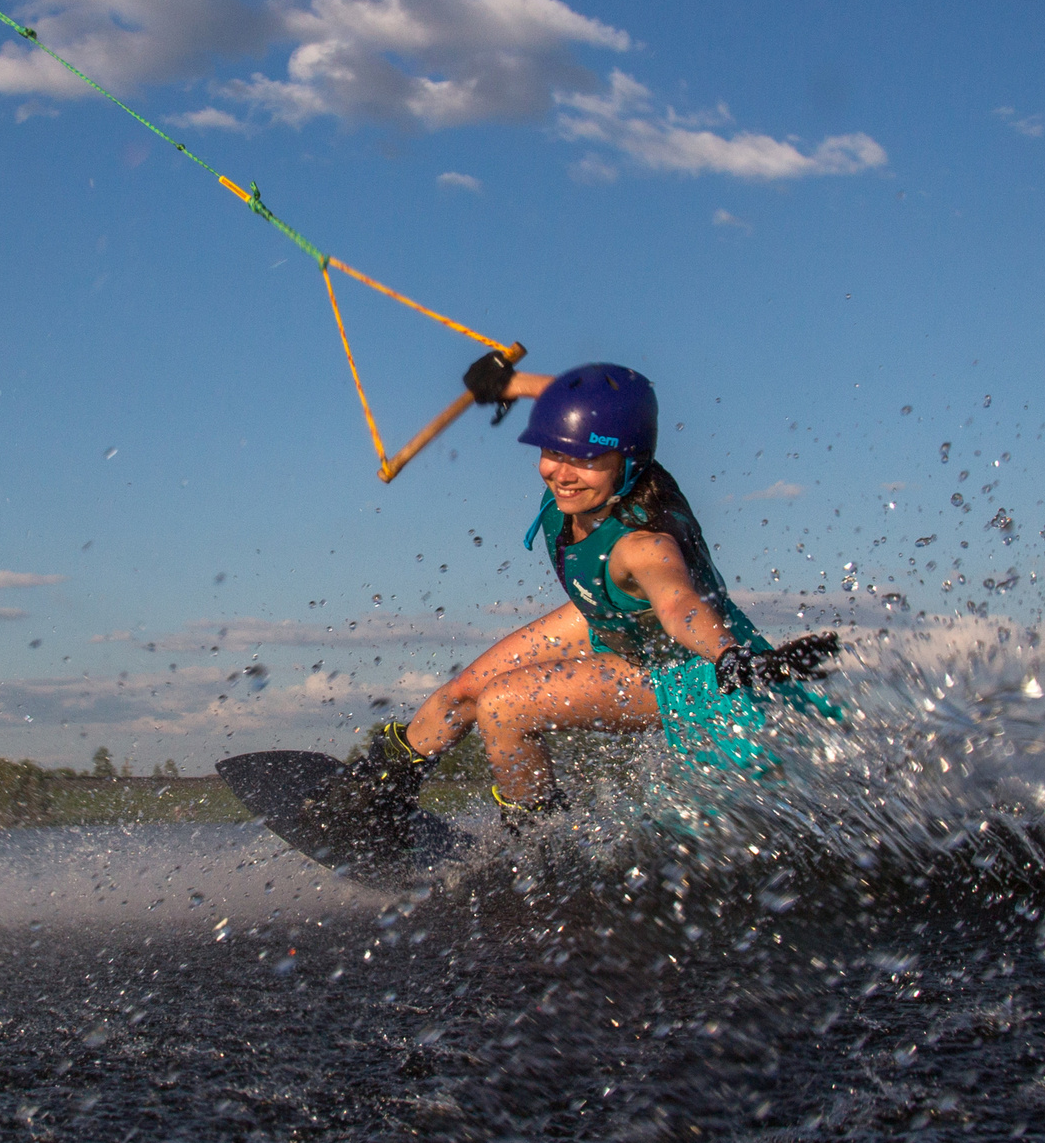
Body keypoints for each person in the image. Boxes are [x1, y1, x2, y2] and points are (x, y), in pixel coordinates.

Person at [308, 356, 840, 836]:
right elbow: (581, 406)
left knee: (505, 706)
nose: (560, 474)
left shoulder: (643, 545)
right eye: (551, 452)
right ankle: (379, 796)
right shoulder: (586, 472)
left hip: (680, 665)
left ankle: (540, 851)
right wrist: (510, 384)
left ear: (627, 461)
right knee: (463, 693)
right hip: (607, 618)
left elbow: (679, 606)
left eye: (582, 460)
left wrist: (730, 656)